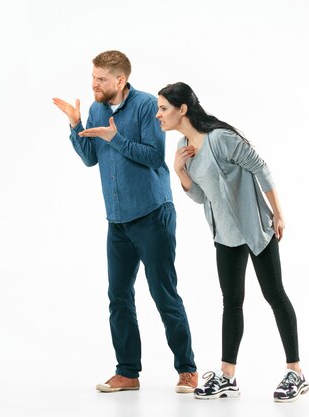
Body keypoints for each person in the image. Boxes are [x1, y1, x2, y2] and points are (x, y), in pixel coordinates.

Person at [53, 51, 197, 394]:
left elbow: (152, 156)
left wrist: (114, 137)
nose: (94, 84)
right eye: (92, 77)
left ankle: (187, 370)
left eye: (100, 79)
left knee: (163, 293)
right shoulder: (96, 109)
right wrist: (76, 125)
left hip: (152, 215)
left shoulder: (148, 106)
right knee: (118, 296)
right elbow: (90, 158)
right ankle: (128, 372)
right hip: (117, 220)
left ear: (120, 80)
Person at [156, 82, 309, 402]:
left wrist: (278, 214)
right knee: (231, 303)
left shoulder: (221, 139)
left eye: (163, 108)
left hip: (256, 230)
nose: (158, 115)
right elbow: (201, 196)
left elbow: (261, 168)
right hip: (224, 236)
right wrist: (180, 170)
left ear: (182, 109)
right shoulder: (184, 147)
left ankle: (295, 371)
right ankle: (228, 377)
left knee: (274, 295)